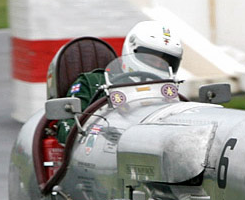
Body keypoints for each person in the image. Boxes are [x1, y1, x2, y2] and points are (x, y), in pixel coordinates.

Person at [54, 21, 183, 144]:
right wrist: (97, 134)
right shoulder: (93, 82)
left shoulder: (167, 93)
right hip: (100, 154)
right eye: (152, 58)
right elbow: (65, 130)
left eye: (165, 62)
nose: (158, 64)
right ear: (132, 49)